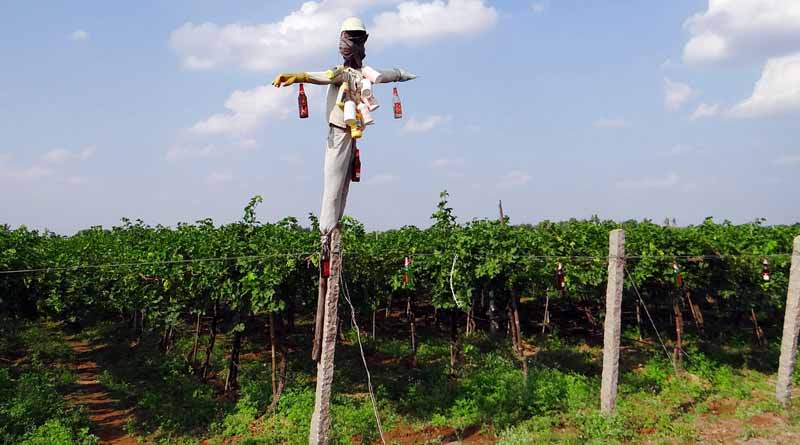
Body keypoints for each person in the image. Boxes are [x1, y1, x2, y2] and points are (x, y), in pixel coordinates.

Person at [272, 17, 416, 275]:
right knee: (333, 186)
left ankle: (332, 233)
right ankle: (326, 239)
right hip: (338, 134)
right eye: (347, 40)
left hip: (351, 135)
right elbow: (323, 77)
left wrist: (403, 75)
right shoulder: (342, 74)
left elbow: (386, 75)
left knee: (342, 186)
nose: (347, 46)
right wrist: (297, 77)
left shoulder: (363, 74)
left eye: (351, 40)